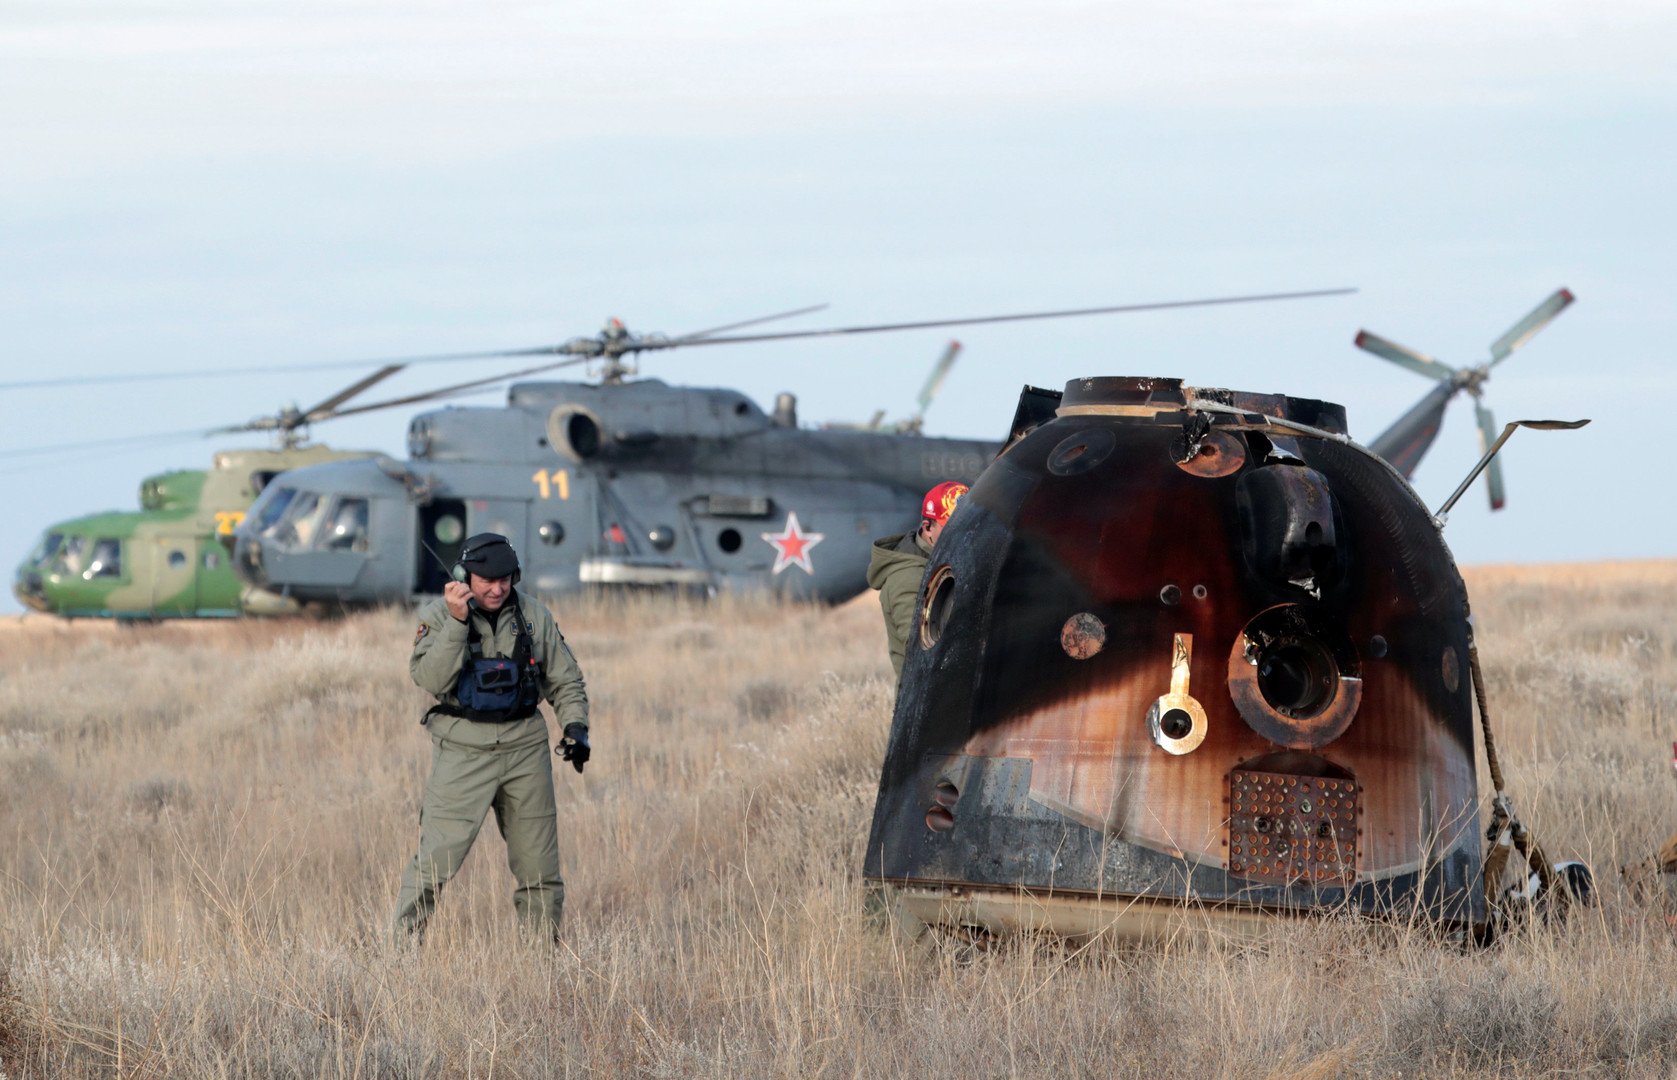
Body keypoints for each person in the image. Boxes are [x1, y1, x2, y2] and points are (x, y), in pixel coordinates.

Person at [391, 533, 590, 944]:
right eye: (487, 580)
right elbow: (430, 679)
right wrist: (458, 622)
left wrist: (575, 727)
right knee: (435, 863)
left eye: (506, 579)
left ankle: (542, 963)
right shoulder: (439, 616)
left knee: (540, 869)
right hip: (463, 751)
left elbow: (566, 679)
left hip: (525, 750)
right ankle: (399, 957)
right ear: (464, 577)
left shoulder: (535, 616)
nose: (498, 588)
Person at [866, 481, 968, 678]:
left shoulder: (949, 560)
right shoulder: (908, 578)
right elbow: (920, 649)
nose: (960, 534)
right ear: (927, 528)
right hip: (929, 700)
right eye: (952, 528)